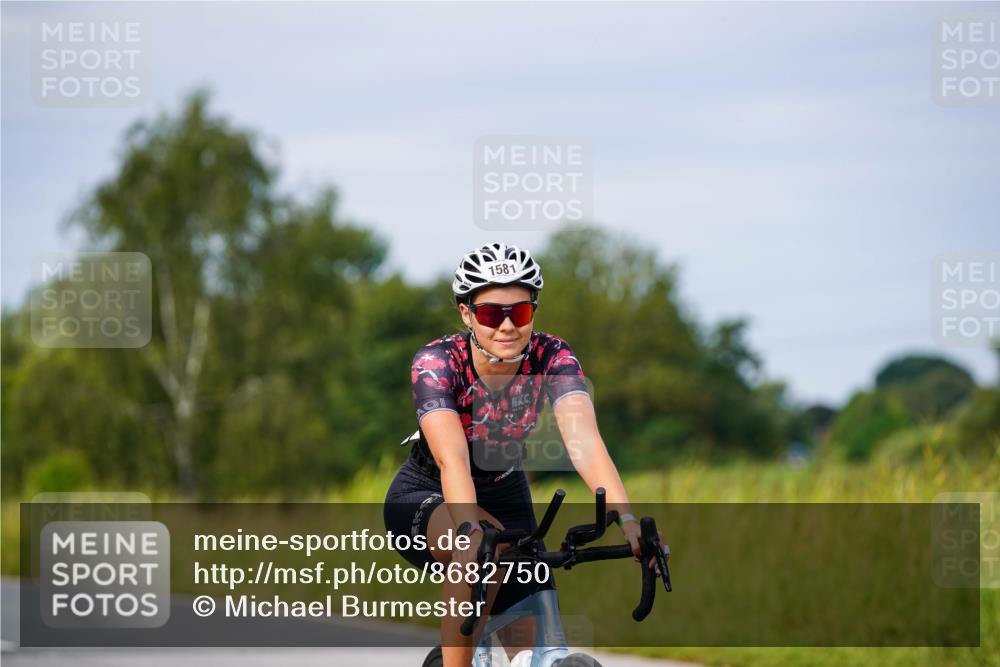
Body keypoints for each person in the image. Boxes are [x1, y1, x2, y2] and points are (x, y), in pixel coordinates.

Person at [383, 242, 659, 667]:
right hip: (430, 490)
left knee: (530, 644)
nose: (508, 325)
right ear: (467, 314)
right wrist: (470, 534)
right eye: (493, 313)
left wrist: (627, 520)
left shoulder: (554, 356)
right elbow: (451, 460)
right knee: (480, 552)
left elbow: (583, 440)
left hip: (505, 488)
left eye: (522, 311)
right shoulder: (437, 363)